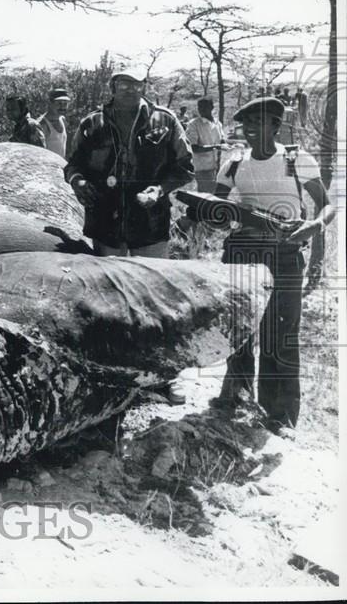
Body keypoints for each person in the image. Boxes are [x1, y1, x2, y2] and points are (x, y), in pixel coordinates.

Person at [65, 68, 194, 404]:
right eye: (123, 84)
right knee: (110, 297)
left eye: (136, 85)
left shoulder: (164, 122)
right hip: (106, 219)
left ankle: (166, 377)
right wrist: (79, 182)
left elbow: (184, 167)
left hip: (148, 220)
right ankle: (115, 375)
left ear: (143, 87)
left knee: (156, 297)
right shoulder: (92, 123)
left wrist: (161, 189)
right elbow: (72, 165)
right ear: (112, 87)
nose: (129, 90)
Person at [206, 97, 333, 434]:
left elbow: (327, 206)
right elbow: (216, 206)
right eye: (246, 123)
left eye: (259, 122)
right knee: (238, 328)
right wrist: (207, 215)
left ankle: (280, 416)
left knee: (280, 333)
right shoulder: (234, 162)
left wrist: (314, 226)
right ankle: (236, 398)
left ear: (276, 126)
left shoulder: (294, 159)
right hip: (242, 253)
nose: (250, 129)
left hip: (285, 253)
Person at [178, 97, 228, 258]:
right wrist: (216, 146)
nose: (202, 110)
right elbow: (193, 147)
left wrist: (226, 144)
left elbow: (222, 140)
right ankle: (186, 229)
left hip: (217, 168)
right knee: (206, 202)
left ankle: (193, 230)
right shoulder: (194, 124)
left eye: (205, 106)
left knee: (212, 200)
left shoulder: (217, 123)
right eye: (200, 107)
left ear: (212, 106)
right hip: (203, 167)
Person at [38, 88, 71, 159]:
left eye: (65, 104)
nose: (62, 107)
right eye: (59, 103)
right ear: (50, 103)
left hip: (61, 167)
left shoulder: (62, 119)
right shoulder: (42, 124)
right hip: (47, 167)